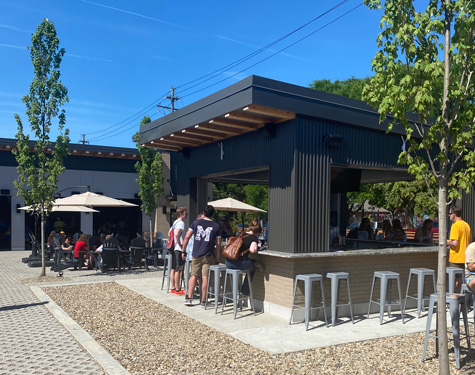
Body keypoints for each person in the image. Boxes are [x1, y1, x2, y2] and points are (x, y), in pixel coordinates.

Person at [182, 205, 222, 306]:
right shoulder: (216, 226)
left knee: (194, 275)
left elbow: (187, 237)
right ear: (212, 215)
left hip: (196, 254)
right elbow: (218, 244)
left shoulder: (195, 223)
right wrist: (217, 257)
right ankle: (203, 300)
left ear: (203, 213)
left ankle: (189, 298)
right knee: (205, 278)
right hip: (208, 255)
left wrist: (183, 251)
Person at [224, 221, 265, 296]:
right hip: (237, 263)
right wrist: (256, 246)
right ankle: (245, 292)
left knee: (250, 261)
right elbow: (253, 250)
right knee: (252, 268)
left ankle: (253, 261)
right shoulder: (253, 238)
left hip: (228, 262)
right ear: (258, 233)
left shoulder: (241, 233)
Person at [447, 206, 471, 292]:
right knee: (462, 279)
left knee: (456, 280)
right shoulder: (466, 225)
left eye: (450, 214)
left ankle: (456, 301)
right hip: (465, 258)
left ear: (454, 215)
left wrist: (444, 241)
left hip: (456, 258)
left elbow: (454, 243)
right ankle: (463, 301)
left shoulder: (455, 226)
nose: (449, 215)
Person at [170, 207, 187, 296]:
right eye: (185, 213)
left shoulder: (175, 222)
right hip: (178, 248)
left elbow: (171, 232)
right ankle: (178, 289)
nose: (186, 214)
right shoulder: (181, 223)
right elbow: (177, 234)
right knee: (178, 269)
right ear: (181, 214)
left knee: (173, 268)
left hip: (173, 248)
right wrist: (180, 243)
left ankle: (173, 287)